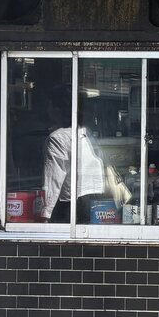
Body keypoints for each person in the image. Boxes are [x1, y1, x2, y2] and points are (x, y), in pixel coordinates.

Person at [42, 88, 106, 223]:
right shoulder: (84, 132)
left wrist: (46, 213)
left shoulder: (57, 138)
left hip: (70, 204)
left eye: (48, 106)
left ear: (56, 109)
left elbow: (54, 178)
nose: (47, 110)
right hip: (93, 198)